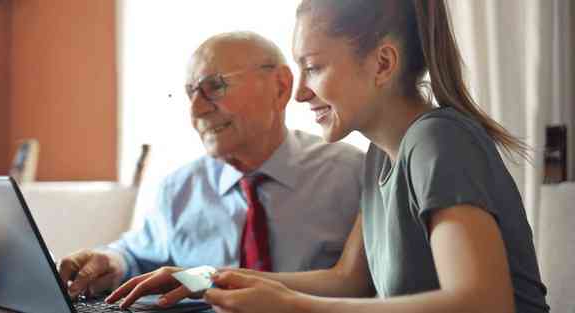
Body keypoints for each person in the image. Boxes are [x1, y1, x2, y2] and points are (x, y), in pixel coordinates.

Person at [107, 1, 550, 312]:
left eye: (314, 67)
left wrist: (294, 308)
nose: (299, 92)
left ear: (382, 64)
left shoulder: (437, 142)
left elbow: (482, 304)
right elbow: (348, 280)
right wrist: (203, 278)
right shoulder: (381, 154)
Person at [58, 31, 364, 303]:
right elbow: (137, 255)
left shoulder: (351, 174)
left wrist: (201, 279)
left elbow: (361, 285)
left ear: (281, 87)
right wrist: (111, 261)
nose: (196, 109)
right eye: (191, 93)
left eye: (214, 87)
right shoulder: (179, 187)